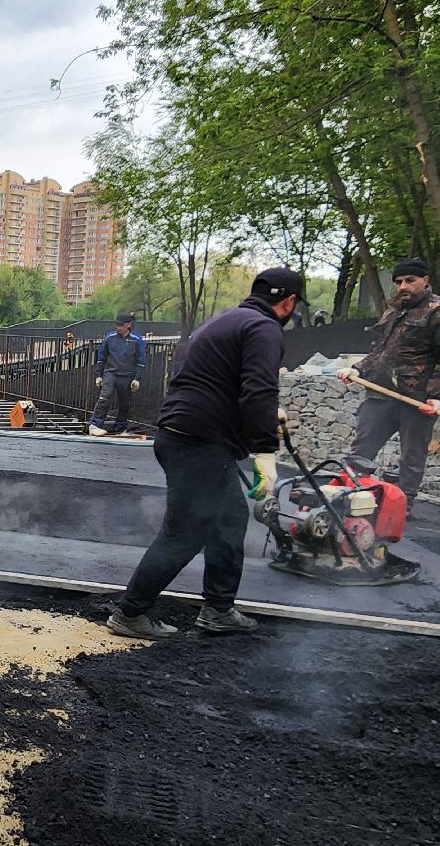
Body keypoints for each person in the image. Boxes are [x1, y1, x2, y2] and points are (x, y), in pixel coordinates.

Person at [104, 268, 305, 640]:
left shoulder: (226, 321)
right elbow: (259, 389)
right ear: (289, 302)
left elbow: (206, 379)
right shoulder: (264, 329)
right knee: (185, 532)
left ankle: (218, 608)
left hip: (187, 435)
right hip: (199, 442)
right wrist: (264, 454)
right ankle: (131, 613)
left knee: (230, 518)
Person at [336, 258, 440, 512]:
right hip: (381, 392)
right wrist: (357, 369)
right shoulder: (394, 310)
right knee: (362, 446)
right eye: (398, 282)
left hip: (416, 398)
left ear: (425, 279)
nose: (403, 286)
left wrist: (437, 397)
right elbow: (380, 351)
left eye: (410, 280)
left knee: (412, 456)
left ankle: (402, 506)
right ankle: (347, 492)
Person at [89, 313, 146, 436]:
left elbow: (140, 360)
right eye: (117, 325)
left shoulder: (136, 340)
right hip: (111, 373)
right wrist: (98, 374)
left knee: (125, 402)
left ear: (128, 325)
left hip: (127, 375)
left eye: (121, 325)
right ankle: (95, 424)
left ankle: (121, 427)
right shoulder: (110, 338)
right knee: (105, 396)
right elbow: (101, 357)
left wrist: (137, 378)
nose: (118, 327)